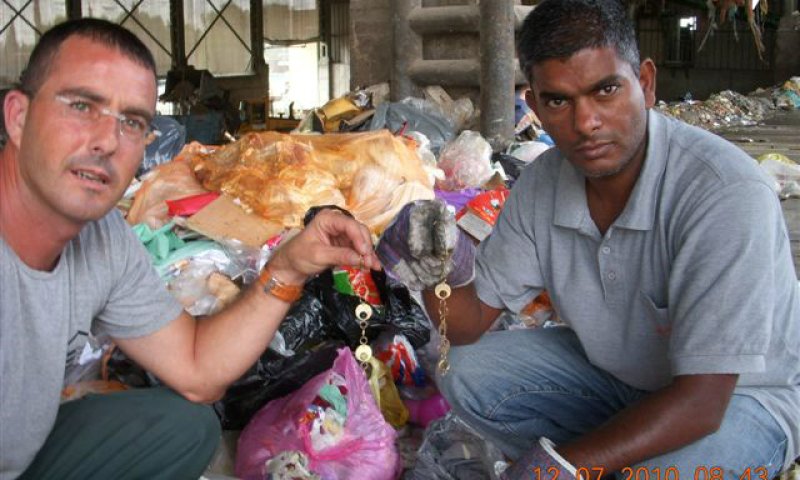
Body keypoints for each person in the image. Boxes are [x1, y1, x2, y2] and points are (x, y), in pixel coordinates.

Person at [377, 0, 799, 476]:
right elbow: (467, 326)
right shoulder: (543, 183)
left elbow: (703, 401)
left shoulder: (724, 193)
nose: (586, 124)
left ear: (646, 82)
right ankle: (612, 452)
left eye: (606, 91)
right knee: (463, 370)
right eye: (559, 100)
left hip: (743, 398)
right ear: (533, 105)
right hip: (619, 383)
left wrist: (564, 466)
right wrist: (440, 269)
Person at [0, 18, 380, 479]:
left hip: (21, 451)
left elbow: (198, 370)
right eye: (82, 105)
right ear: (18, 116)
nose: (106, 141)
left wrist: (289, 267)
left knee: (184, 426)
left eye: (132, 122)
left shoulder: (102, 237)